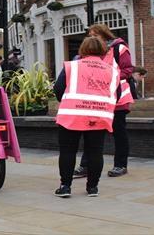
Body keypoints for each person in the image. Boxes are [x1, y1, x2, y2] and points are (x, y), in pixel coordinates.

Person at [53, 37, 120, 197]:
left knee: (68, 151)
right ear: (103, 50)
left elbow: (58, 88)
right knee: (96, 152)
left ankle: (65, 186)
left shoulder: (72, 66)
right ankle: (92, 188)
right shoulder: (112, 70)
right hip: (99, 115)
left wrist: (69, 101)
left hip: (72, 115)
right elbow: (116, 93)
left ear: (83, 49)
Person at [74, 24, 134, 178]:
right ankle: (85, 166)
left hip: (118, 99)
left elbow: (128, 71)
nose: (91, 38)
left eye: (95, 35)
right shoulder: (92, 52)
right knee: (90, 131)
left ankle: (120, 165)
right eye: (90, 35)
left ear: (104, 35)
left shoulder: (119, 49)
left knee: (119, 132)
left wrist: (107, 76)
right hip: (98, 98)